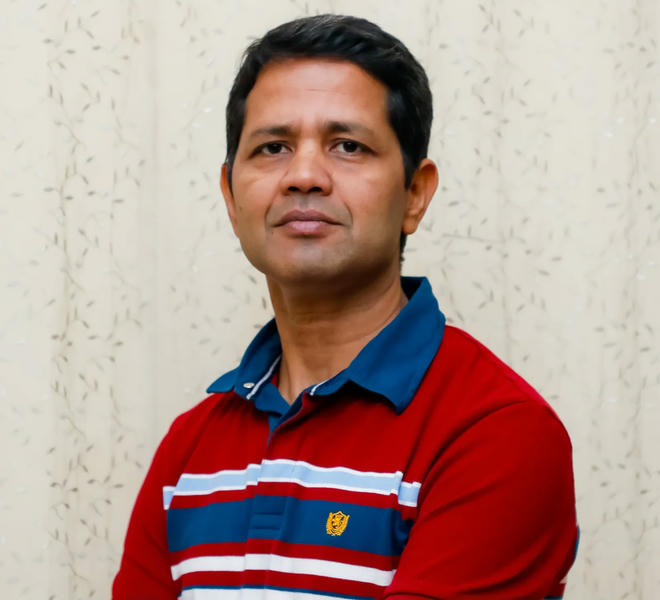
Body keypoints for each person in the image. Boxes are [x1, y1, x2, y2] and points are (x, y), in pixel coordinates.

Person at [113, 14, 578, 600]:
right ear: (230, 196)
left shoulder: (498, 433)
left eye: (348, 146)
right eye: (273, 147)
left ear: (415, 194)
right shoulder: (188, 450)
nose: (304, 175)